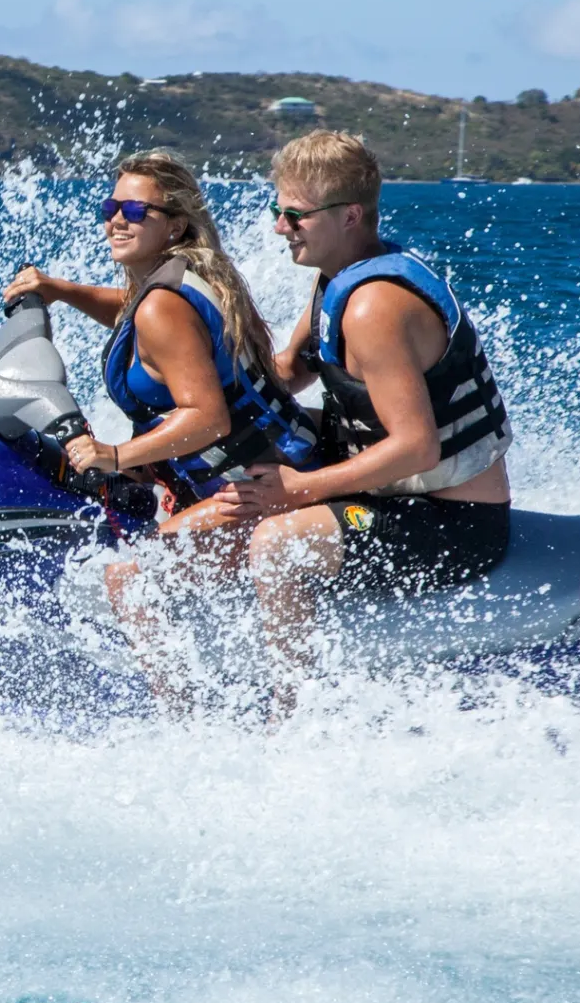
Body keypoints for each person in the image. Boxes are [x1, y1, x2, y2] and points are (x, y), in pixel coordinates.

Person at [218, 130, 513, 656]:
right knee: (241, 440)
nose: (279, 226)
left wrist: (298, 491)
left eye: (296, 215)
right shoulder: (336, 279)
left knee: (276, 545)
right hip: (390, 492)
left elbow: (416, 448)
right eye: (277, 210)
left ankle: (291, 714)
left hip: (451, 524)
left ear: (349, 216)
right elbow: (290, 372)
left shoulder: (375, 307)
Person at [2, 149, 317, 545]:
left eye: (135, 210)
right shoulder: (182, 281)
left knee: (130, 574)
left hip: (255, 489)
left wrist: (114, 455)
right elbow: (134, 316)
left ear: (175, 225)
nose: (117, 219)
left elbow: (209, 419)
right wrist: (61, 290)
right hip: (267, 468)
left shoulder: (163, 306)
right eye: (111, 206)